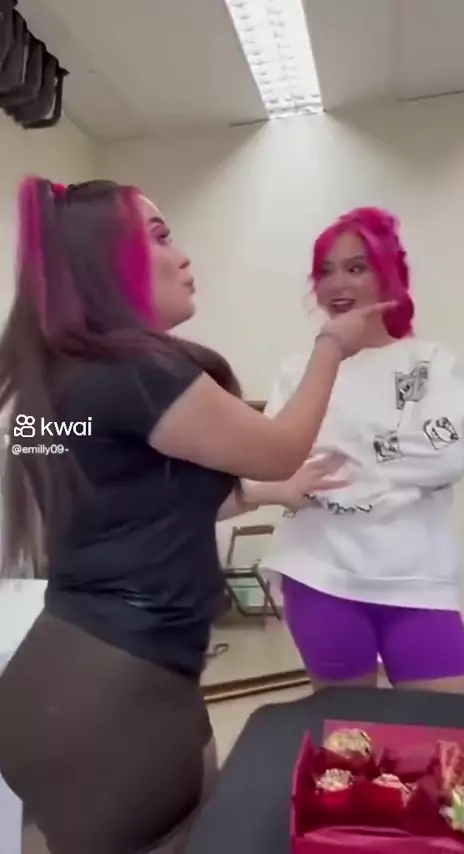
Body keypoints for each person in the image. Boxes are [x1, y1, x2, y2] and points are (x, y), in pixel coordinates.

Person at [0, 178, 391, 854]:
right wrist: (331, 345)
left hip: (60, 677)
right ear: (105, 262)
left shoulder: (57, 382)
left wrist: (274, 493)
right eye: (158, 236)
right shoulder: (137, 373)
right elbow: (279, 447)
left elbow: (141, 502)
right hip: (114, 693)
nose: (182, 255)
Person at [261, 206, 464, 695]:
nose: (338, 284)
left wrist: (339, 455)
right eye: (326, 271)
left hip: (417, 579)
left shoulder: (430, 362)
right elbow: (276, 460)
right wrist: (392, 459)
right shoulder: (299, 370)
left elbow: (446, 457)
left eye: (356, 268)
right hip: (317, 573)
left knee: (454, 729)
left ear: (388, 276)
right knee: (346, 730)